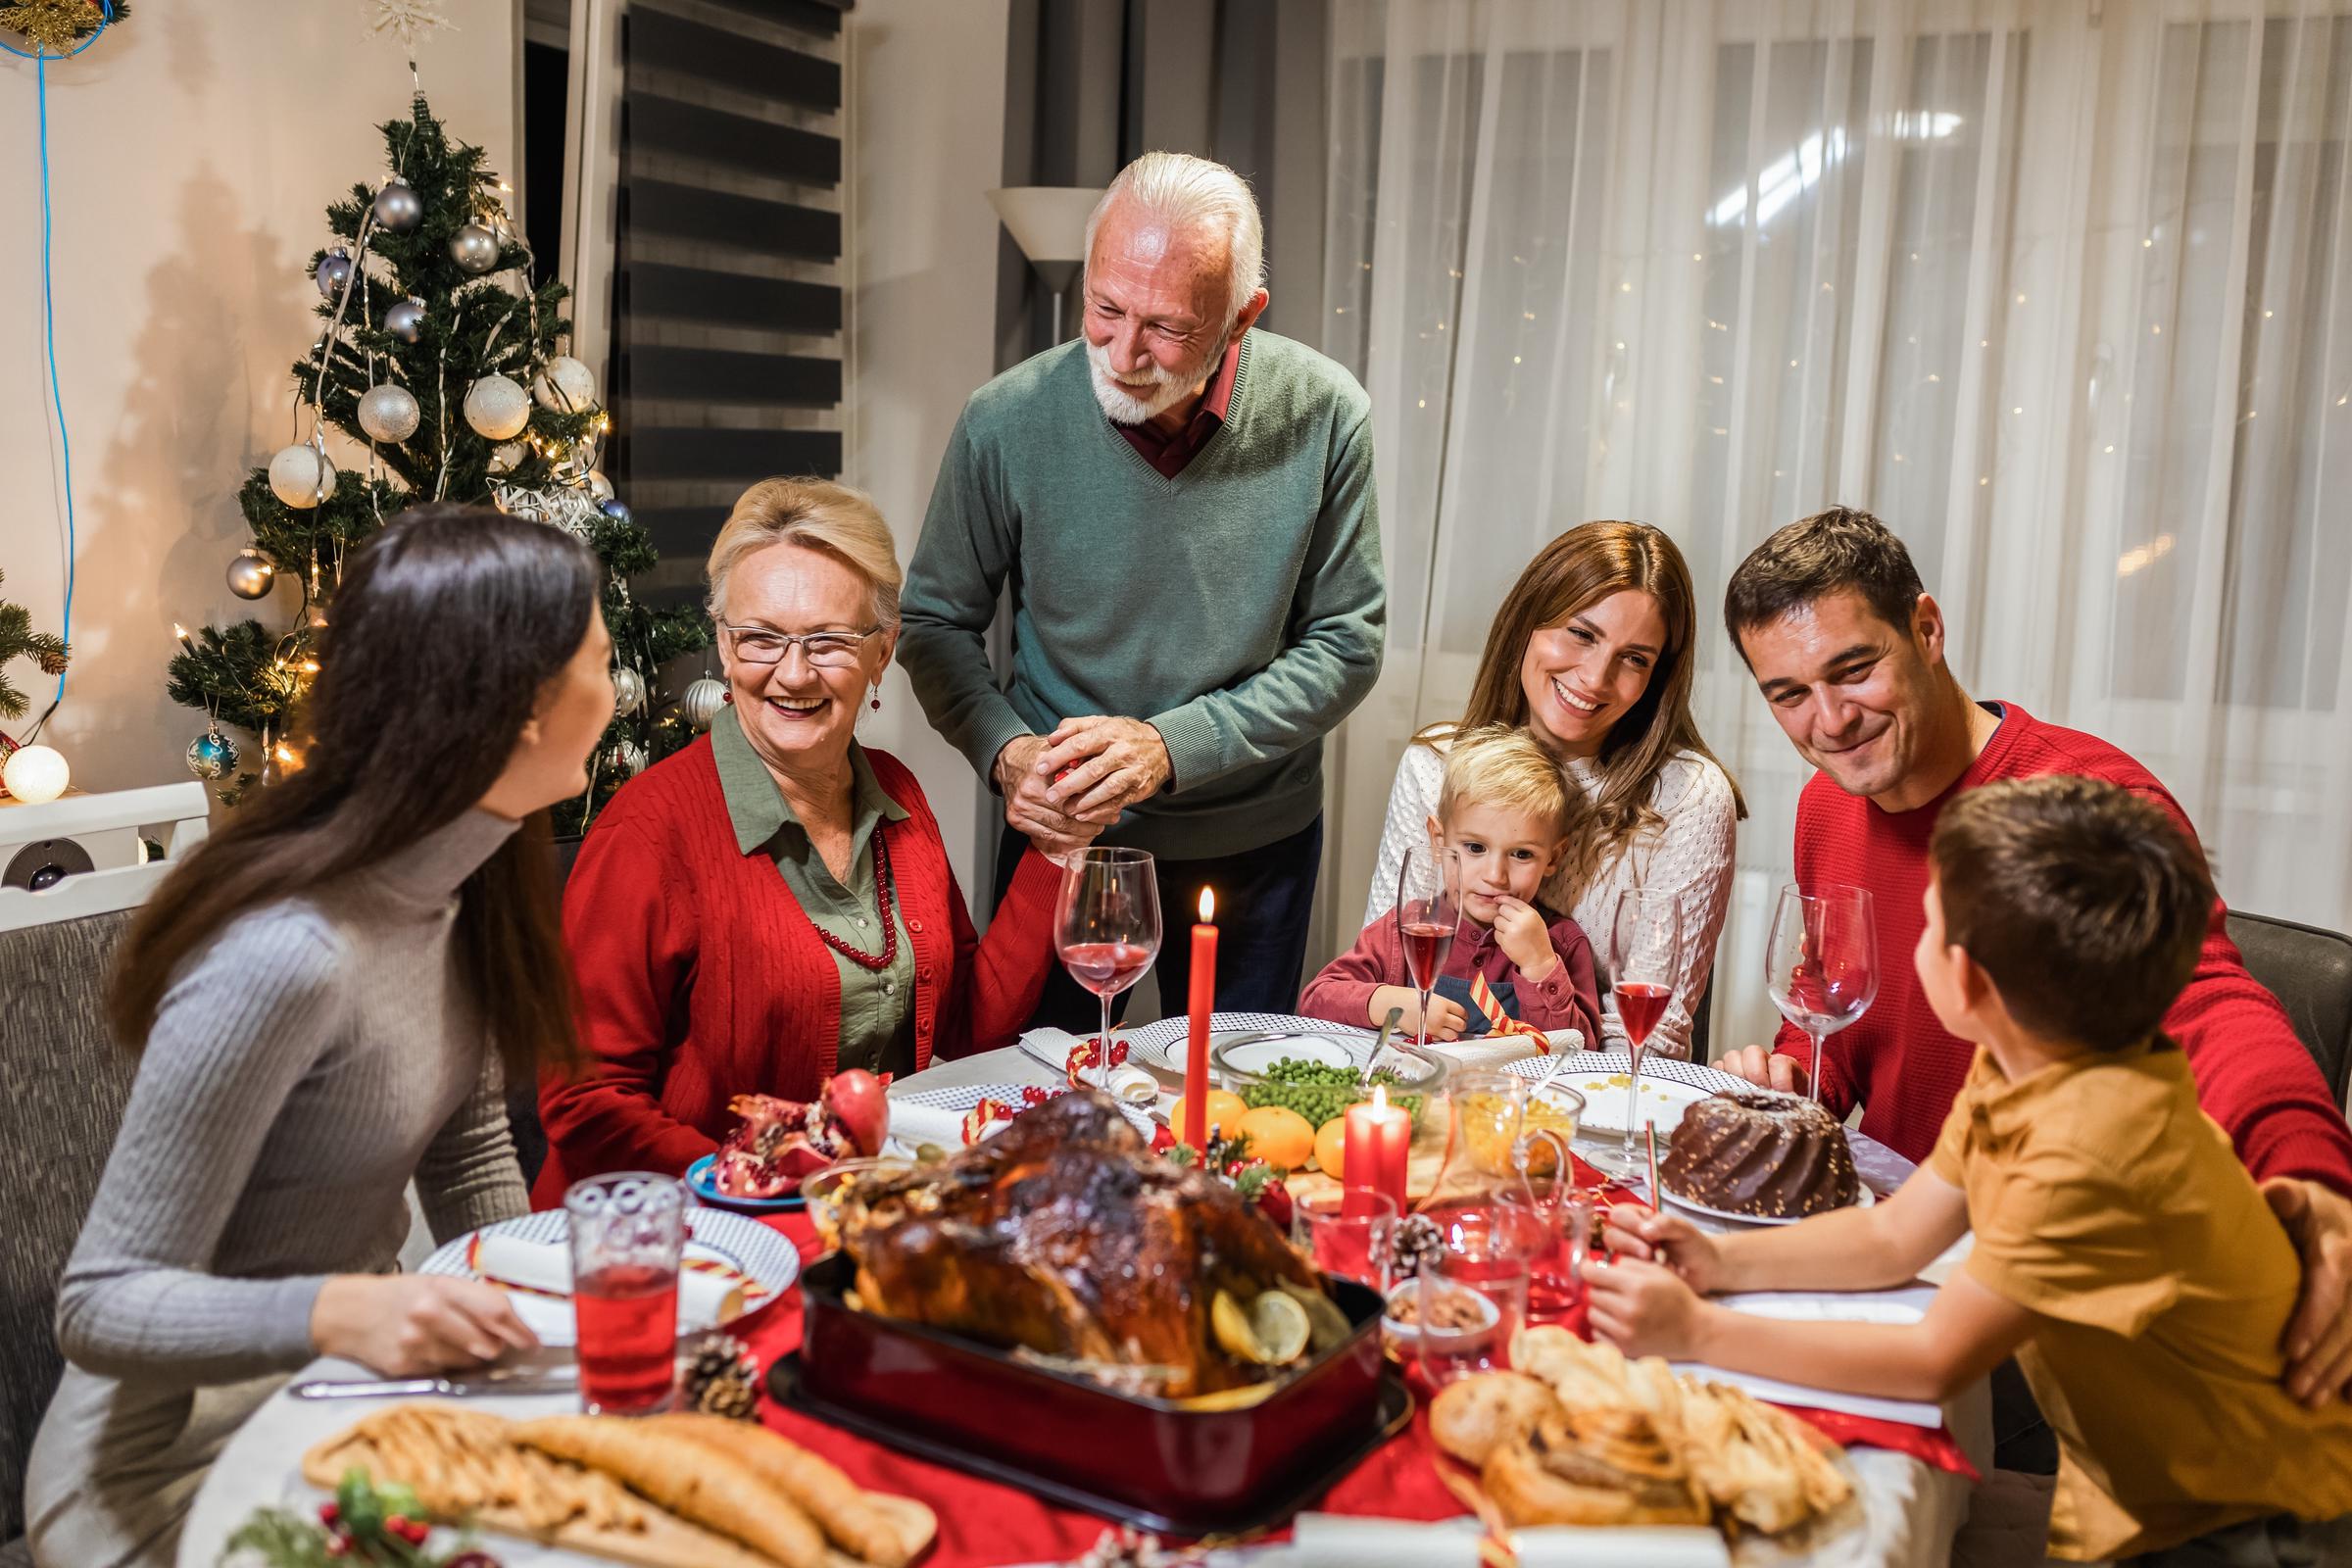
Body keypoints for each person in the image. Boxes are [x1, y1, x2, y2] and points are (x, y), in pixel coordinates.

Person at [25, 508, 609, 1566]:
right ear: (522, 709)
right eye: (603, 663)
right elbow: (99, 1306)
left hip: (338, 1408)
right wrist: (342, 1310)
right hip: (163, 1471)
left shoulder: (463, 886)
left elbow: (470, 1150)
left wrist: (520, 1321)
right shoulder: (289, 955)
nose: (618, 692)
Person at [1591, 776, 2352, 1565]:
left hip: (2255, 1520)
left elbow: (1931, 1365)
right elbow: (1894, 1237)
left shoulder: (2087, 1150)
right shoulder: (2028, 1060)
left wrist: (1699, 1332)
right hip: (2145, 1490)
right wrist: (1719, 1260)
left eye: (1928, 918)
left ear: (1968, 979)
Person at [1715, 505, 2352, 1407]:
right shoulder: (1828, 806)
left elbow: (2211, 1010)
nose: (1829, 721)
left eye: (1854, 669)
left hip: (2047, 1306)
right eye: (1788, 694)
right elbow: (1840, 1012)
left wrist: (2319, 1185)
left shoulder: (2079, 803)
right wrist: (1791, 1073)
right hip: (1907, 1241)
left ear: (1927, 630)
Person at [899, 150, 1386, 1030]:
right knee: (1049, 1108)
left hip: (1257, 838)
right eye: (1105, 307)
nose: (1122, 355)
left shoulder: (1326, 412)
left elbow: (1347, 644)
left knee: (1236, 1117)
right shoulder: (1005, 418)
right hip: (1065, 838)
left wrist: (1170, 746)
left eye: (1165, 327)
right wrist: (1009, 755)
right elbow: (933, 623)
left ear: (1244, 317)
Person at [535, 478, 1060, 1200]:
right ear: (723, 645)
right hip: (676, 1233)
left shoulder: (898, 793)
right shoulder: (647, 835)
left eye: (829, 641)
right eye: (761, 638)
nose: (792, 672)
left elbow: (968, 1028)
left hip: (841, 1215)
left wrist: (1059, 848)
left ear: (883, 653)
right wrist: (760, 1184)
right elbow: (584, 1101)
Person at [1365, 521, 1740, 1057]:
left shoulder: (1689, 796)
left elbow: (1648, 1042)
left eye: (1634, 658)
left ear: (1657, 676)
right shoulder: (1435, 763)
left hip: (1583, 1097)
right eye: (1581, 634)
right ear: (1526, 625)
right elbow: (1387, 975)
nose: (1594, 677)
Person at [1303, 724, 1601, 1045]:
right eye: (1475, 848)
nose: (1495, 875)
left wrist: (1540, 966)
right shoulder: (1408, 928)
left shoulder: (1560, 943)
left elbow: (1581, 1048)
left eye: (1521, 854)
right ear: (1438, 841)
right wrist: (1395, 1005)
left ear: (1554, 858)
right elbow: (1316, 999)